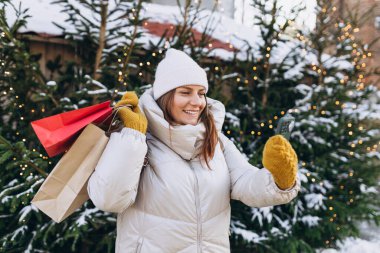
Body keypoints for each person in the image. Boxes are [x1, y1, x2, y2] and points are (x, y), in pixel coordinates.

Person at [87, 48, 300, 253]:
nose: (197, 102)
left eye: (201, 93)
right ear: (165, 96)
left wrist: (280, 178)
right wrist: (132, 137)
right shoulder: (137, 138)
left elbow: (246, 182)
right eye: (185, 92)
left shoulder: (216, 141)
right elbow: (109, 199)